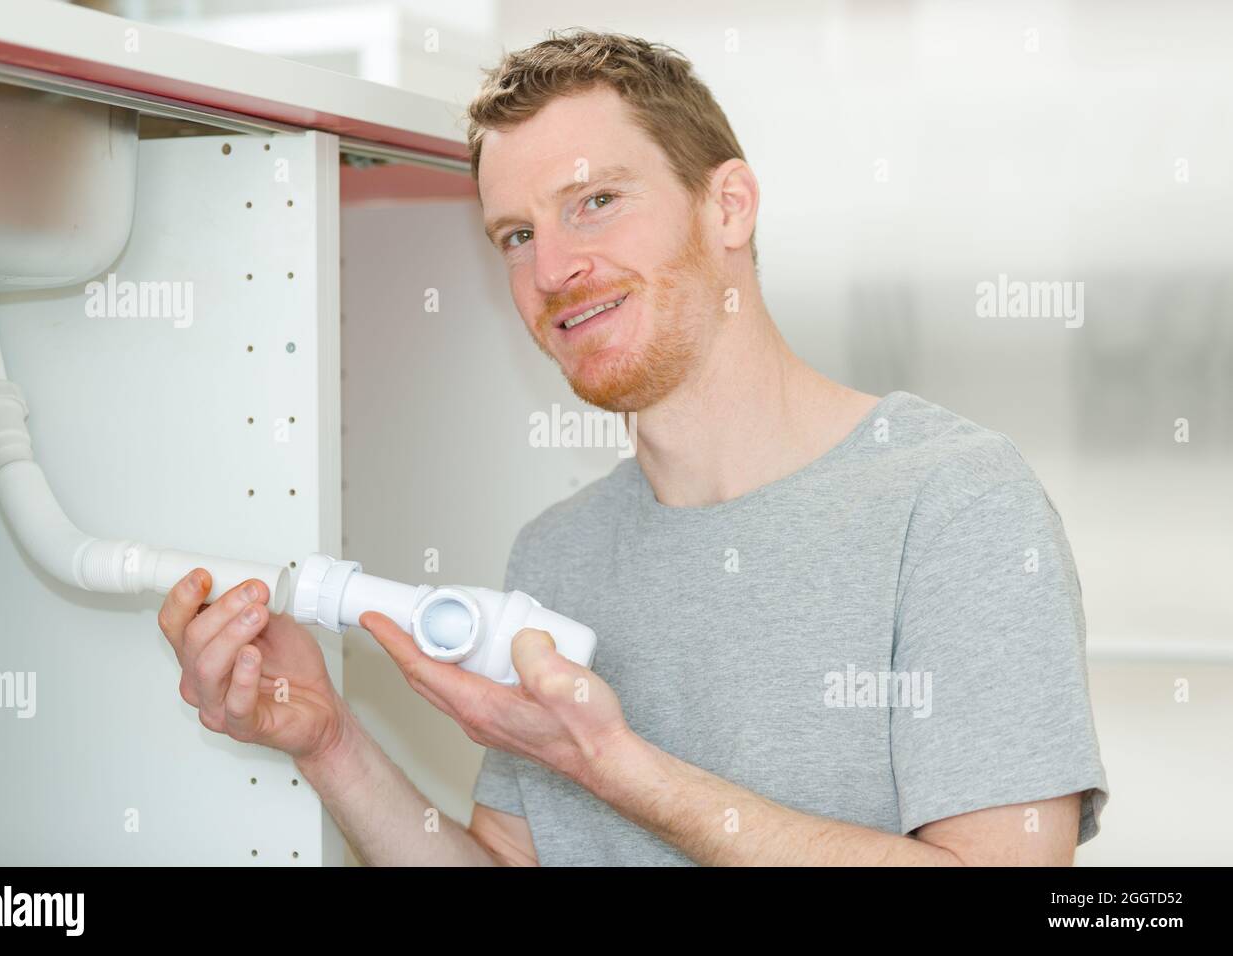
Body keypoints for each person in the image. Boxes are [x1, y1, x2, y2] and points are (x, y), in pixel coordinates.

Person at [157, 29, 1108, 866]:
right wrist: (330, 743)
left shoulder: (954, 504)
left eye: (597, 201)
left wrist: (617, 769)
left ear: (728, 205)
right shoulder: (559, 551)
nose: (553, 269)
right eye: (517, 234)